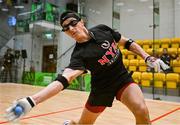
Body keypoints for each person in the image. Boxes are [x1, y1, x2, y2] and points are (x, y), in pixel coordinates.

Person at [5, 11, 169, 125]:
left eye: (72, 23)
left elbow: (127, 43)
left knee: (141, 110)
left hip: (122, 80)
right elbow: (64, 79)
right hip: (101, 90)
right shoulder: (79, 55)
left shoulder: (103, 30)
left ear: (82, 22)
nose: (70, 29)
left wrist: (147, 57)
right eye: (65, 28)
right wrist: (31, 101)